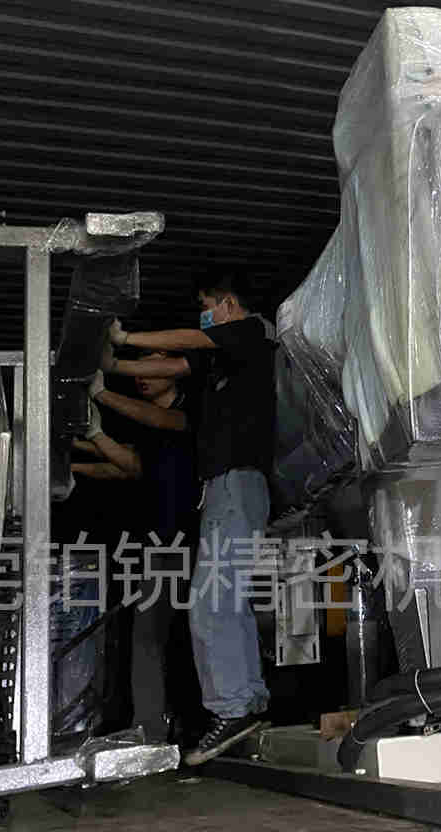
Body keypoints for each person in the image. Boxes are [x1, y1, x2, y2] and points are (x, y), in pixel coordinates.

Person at [104, 269, 276, 765]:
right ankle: (248, 702)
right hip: (229, 488)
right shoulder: (223, 363)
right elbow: (177, 363)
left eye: (206, 306)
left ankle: (233, 707)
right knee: (228, 599)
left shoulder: (251, 332)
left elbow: (189, 342)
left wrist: (125, 339)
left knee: (210, 602)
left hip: (235, 482)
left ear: (228, 305)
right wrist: (114, 367)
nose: (203, 317)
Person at [70, 353, 198, 737]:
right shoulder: (151, 426)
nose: (142, 375)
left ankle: (154, 728)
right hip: (158, 542)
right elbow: (127, 465)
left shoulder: (187, 411)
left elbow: (134, 460)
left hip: (181, 541)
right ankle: (160, 725)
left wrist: (101, 404)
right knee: (154, 635)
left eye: (151, 367)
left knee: (154, 636)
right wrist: (74, 464)